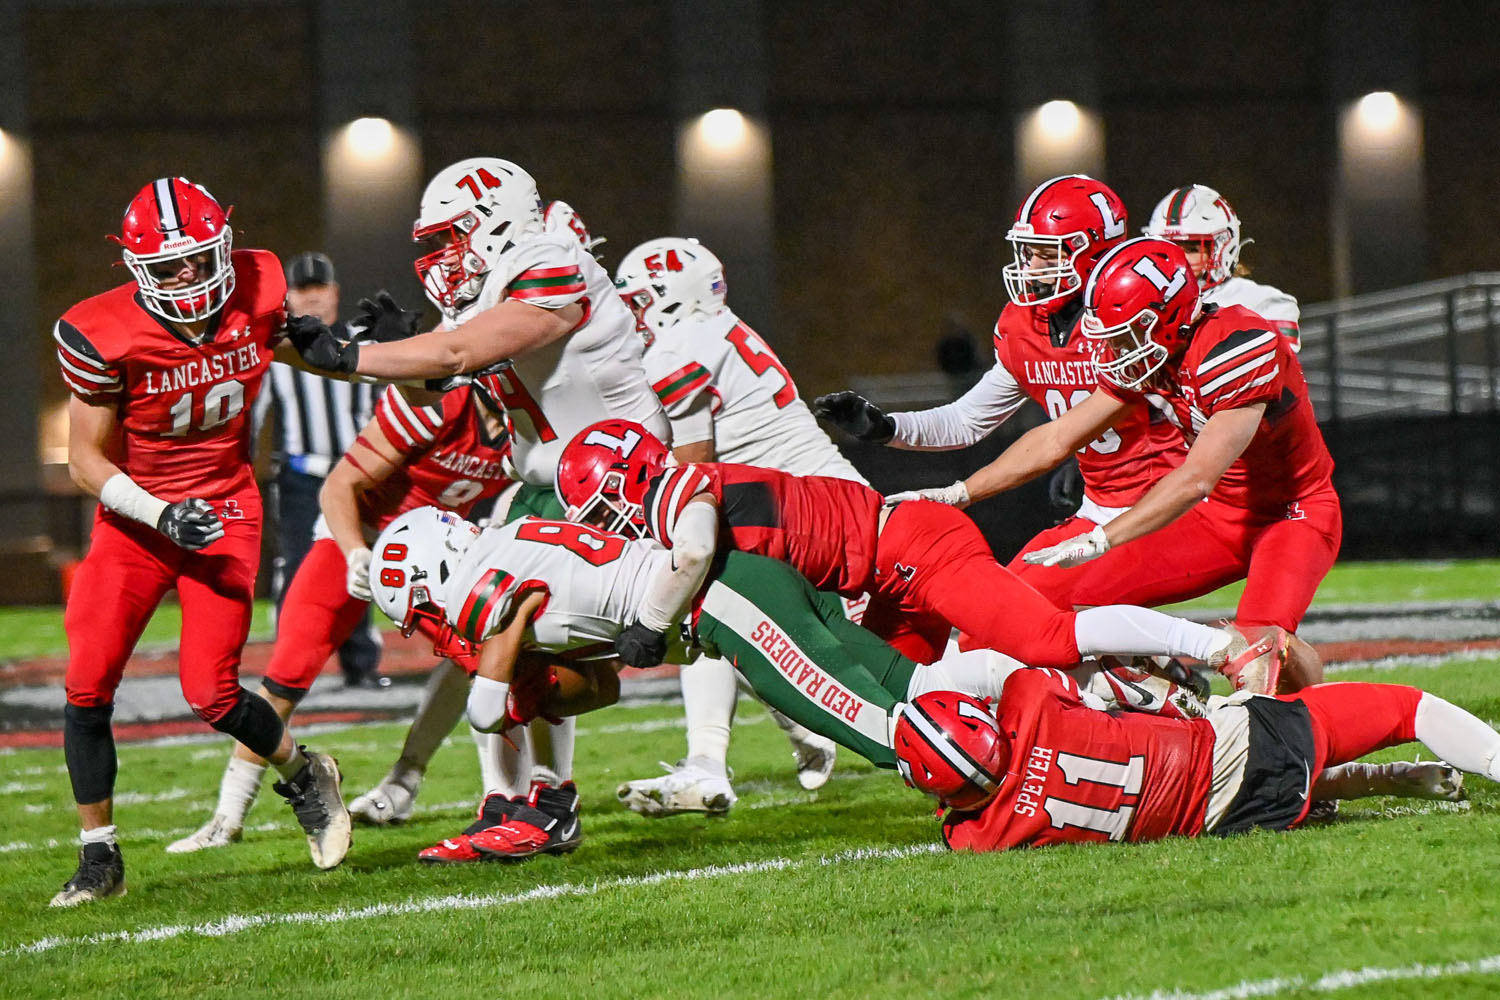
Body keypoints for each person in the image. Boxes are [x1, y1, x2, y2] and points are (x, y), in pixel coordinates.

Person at [366, 507, 1451, 857]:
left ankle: (1188, 673)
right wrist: (575, 678)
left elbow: (490, 697)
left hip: (734, 602)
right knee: (939, 696)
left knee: (910, 730)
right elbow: (582, 688)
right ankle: (1186, 685)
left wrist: (512, 688)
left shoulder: (495, 581)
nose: (420, 626)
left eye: (414, 605)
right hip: (734, 599)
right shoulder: (508, 552)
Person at [286, 160, 670, 853]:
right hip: (561, 478)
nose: (438, 260)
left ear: (497, 224)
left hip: (609, 478)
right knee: (486, 631)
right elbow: (449, 360)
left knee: (549, 639)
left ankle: (553, 795)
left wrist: (361, 355)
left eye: (449, 239)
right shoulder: (493, 290)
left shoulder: (552, 263)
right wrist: (355, 347)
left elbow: (462, 351)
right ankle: (506, 797)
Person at [49, 177, 350, 905]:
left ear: (226, 244)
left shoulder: (262, 282)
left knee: (211, 692)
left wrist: (351, 347)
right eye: (167, 266)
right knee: (87, 684)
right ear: (136, 267)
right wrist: (156, 513)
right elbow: (85, 457)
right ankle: (100, 858)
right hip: (135, 520)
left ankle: (307, 774)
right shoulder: (101, 331)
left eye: (198, 259)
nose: (187, 276)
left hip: (226, 507)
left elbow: (293, 350)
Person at [891, 238, 1339, 691]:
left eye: (1123, 334)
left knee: (1257, 648)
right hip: (1217, 517)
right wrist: (961, 492)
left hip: (1291, 513)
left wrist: (1103, 537)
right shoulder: (1153, 355)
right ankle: (1149, 688)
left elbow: (1196, 478)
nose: (1112, 349)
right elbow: (1058, 437)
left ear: (1163, 320)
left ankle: (1315, 727)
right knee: (1025, 594)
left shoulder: (1236, 348)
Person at [556, 420, 1286, 693]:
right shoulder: (688, 486)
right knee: (903, 693)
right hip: (886, 569)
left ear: (624, 484)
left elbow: (688, 556)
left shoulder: (685, 488)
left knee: (1046, 636)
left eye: (599, 511)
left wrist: (649, 624)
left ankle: (1215, 645)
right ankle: (1130, 692)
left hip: (912, 547)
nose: (605, 529)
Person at [167, 380, 513, 855]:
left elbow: (522, 487)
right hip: (359, 536)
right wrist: (355, 553)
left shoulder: (523, 419)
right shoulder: (441, 404)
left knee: (481, 659)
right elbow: (339, 485)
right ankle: (227, 817)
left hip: (434, 555)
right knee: (288, 671)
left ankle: (450, 791)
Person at [811, 175, 1187, 608]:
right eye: (1028, 254)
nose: (1031, 268)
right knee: (1000, 615)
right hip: (1100, 507)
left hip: (1170, 501)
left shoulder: (1137, 319)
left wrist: (969, 489)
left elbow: (1183, 411)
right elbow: (967, 420)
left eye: (1046, 254)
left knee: (1039, 615)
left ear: (1093, 252)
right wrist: (886, 428)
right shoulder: (1023, 326)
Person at [609, 235, 861, 815]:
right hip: (818, 506)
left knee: (915, 668)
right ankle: (714, 762)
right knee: (708, 613)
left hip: (818, 519)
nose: (633, 314)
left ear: (673, 298)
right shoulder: (718, 329)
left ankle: (783, 732)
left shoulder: (678, 347)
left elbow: (694, 467)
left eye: (640, 300)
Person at [901, 672, 1486, 851]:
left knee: (1296, 774)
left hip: (1241, 816)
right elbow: (1111, 681)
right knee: (1405, 709)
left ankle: (1382, 780)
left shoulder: (981, 836)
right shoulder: (1029, 699)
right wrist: (1176, 692)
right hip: (1243, 742)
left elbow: (962, 817)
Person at [255, 251, 384, 688]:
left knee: (358, 563)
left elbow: (383, 406)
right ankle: (289, 669)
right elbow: (254, 414)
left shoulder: (361, 341)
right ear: (288, 297)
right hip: (300, 477)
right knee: (295, 568)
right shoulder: (278, 348)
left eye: (319, 288)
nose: (312, 298)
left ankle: (360, 664)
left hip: (356, 473)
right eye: (302, 290)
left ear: (335, 293)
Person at [1143, 185, 1301, 351]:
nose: (1176, 259)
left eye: (1190, 249)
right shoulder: (1143, 301)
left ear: (1221, 249)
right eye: (1168, 248)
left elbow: (1276, 369)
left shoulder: (1264, 303)